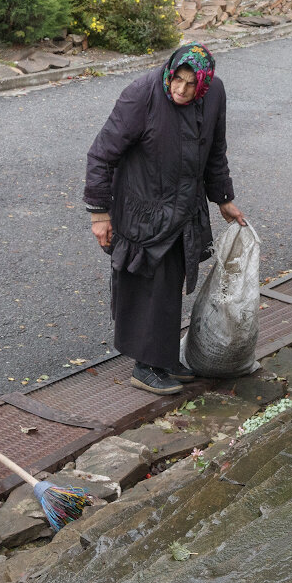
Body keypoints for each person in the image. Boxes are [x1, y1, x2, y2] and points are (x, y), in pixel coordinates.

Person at [84, 43, 246, 395]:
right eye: (177, 80)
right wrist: (99, 213)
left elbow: (216, 149)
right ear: (169, 72)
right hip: (143, 207)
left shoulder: (214, 93)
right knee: (147, 284)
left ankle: (164, 359)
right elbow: (100, 155)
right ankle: (145, 367)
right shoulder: (141, 95)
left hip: (184, 208)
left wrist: (224, 199)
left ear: (204, 83)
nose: (181, 90)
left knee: (170, 283)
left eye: (191, 84)